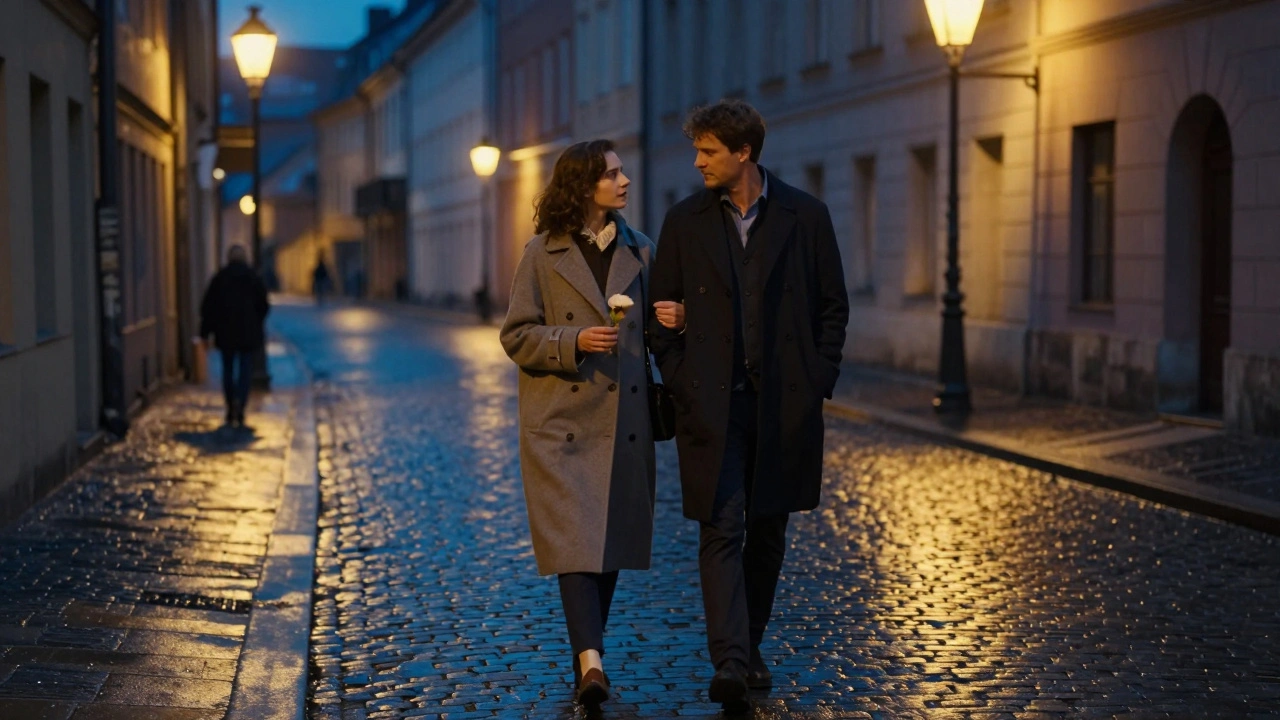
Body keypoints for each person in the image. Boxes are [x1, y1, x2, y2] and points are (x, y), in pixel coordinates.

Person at [649, 99, 849, 712]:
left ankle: (750, 644)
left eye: (708, 150)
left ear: (744, 153)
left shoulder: (805, 215)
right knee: (721, 525)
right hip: (712, 405)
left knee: (767, 531)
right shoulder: (684, 221)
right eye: (697, 149)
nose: (698, 160)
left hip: (783, 404)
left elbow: (832, 307)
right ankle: (730, 659)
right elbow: (662, 314)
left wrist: (816, 378)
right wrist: (681, 378)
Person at [500, 140, 684, 707]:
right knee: (576, 543)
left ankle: (590, 653)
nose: (624, 180)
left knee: (607, 544)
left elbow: (659, 338)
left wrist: (676, 321)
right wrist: (572, 340)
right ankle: (591, 662)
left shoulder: (642, 251)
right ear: (583, 187)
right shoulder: (541, 253)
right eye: (612, 173)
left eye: (624, 170)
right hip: (561, 423)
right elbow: (516, 336)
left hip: (623, 424)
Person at [199, 244, 270, 427]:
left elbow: (208, 308)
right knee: (245, 371)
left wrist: (205, 333)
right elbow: (263, 306)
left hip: (226, 334)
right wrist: (255, 324)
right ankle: (241, 406)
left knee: (228, 370)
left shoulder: (220, 278)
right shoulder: (253, 278)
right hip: (247, 334)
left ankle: (231, 405)